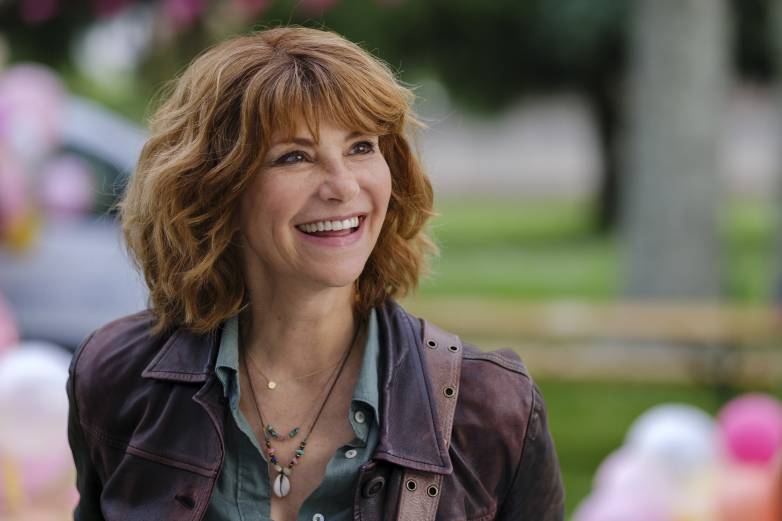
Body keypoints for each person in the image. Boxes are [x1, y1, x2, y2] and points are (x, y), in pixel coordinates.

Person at [66, 26, 564, 521]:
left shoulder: (492, 410)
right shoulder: (117, 378)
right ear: (215, 189)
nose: (343, 186)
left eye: (361, 146)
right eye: (294, 157)